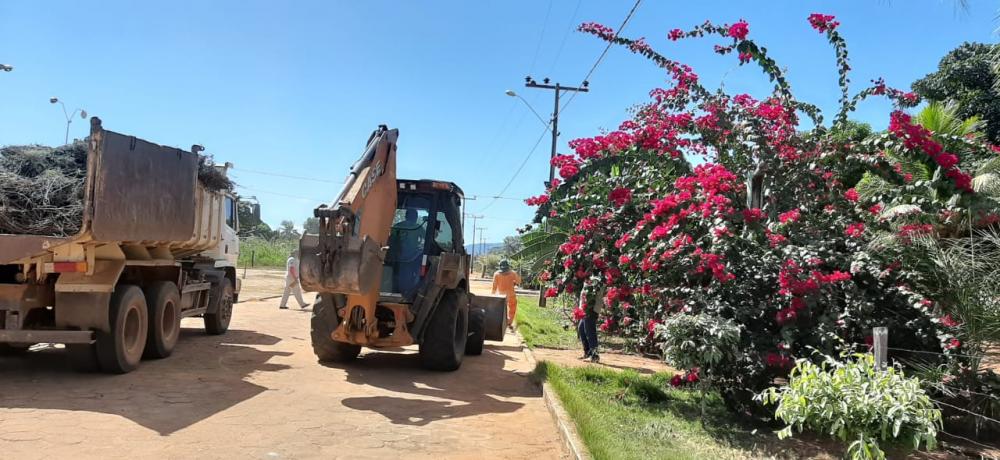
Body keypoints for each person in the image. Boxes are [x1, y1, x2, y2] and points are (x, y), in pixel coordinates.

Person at [491, 259, 521, 328]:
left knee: (500, 309)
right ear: (508, 266)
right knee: (512, 309)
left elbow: (494, 286)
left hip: (500, 295)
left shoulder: (496, 274)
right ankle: (509, 322)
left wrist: (492, 295)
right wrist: (517, 277)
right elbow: (519, 282)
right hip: (511, 294)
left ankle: (500, 321)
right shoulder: (513, 273)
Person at [577, 288, 603, 363]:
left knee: (589, 330)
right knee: (581, 328)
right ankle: (588, 353)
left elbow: (595, 292)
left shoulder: (596, 278)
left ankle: (594, 355)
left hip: (591, 308)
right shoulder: (588, 278)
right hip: (586, 307)